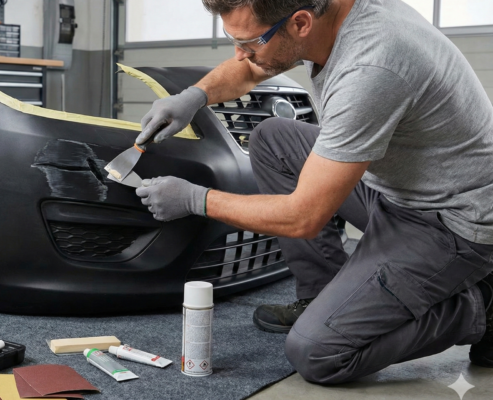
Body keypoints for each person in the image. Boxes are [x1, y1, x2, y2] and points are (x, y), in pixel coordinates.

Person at [135, 0, 493, 384]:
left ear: (300, 23)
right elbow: (251, 67)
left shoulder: (371, 66)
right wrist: (194, 96)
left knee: (319, 353)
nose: (240, 54)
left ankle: (482, 307)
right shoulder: (323, 15)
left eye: (250, 42)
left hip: (451, 221)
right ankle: (320, 293)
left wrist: (195, 199)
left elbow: (302, 217)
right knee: (274, 139)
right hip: (397, 187)